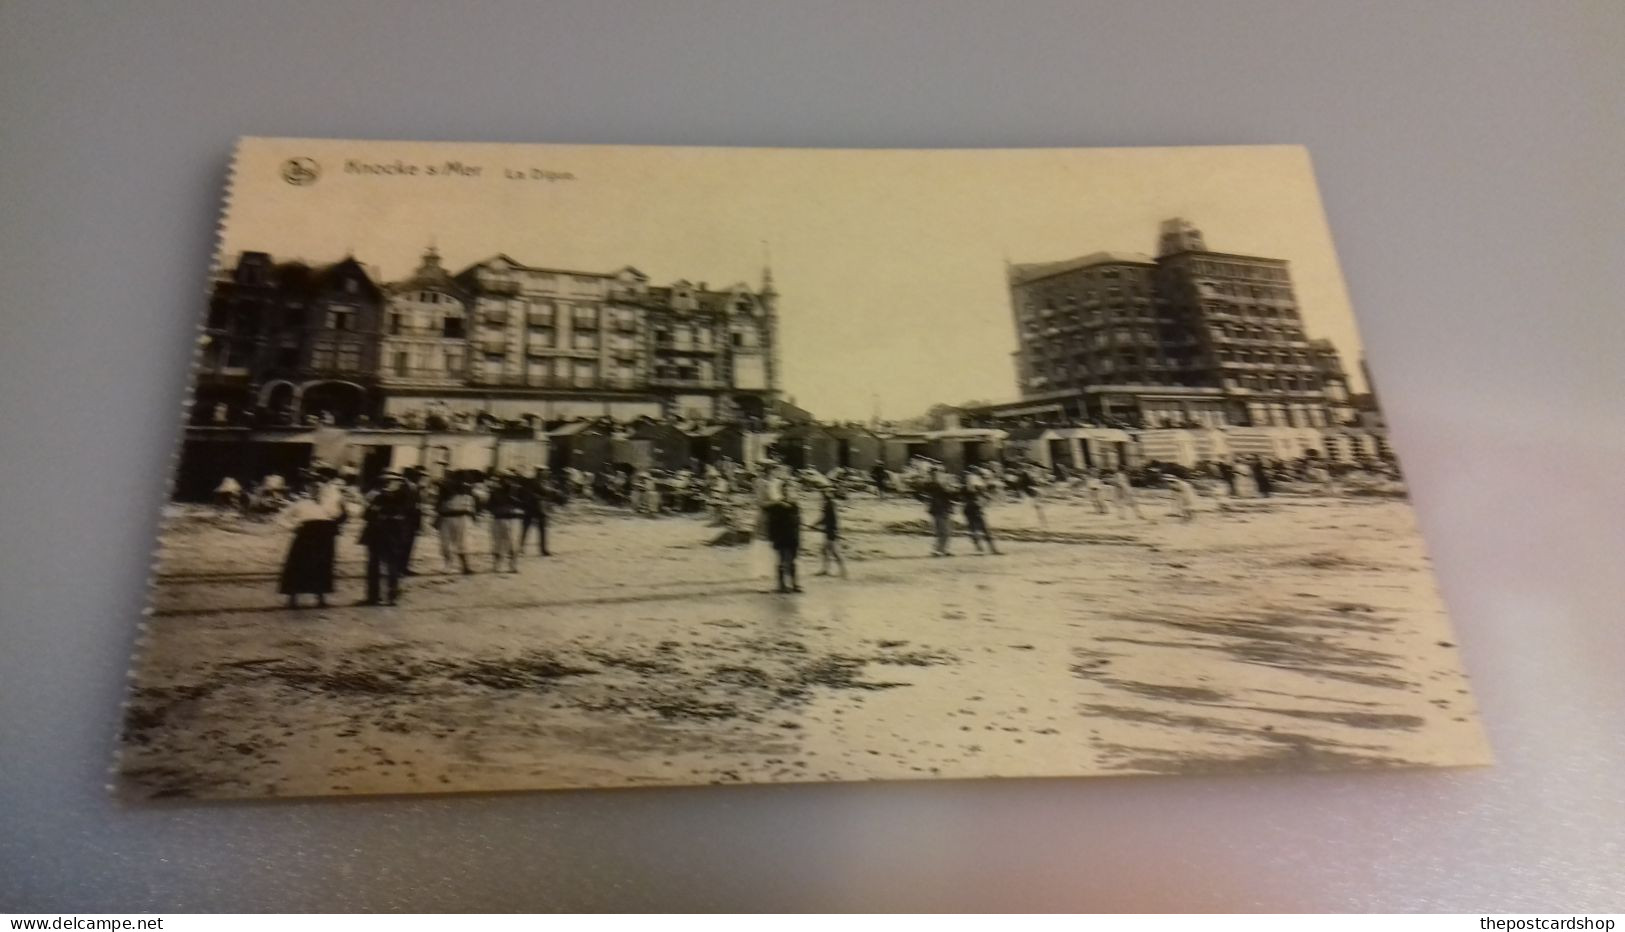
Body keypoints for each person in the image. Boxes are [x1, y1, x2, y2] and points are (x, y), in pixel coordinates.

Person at [277, 479, 345, 609]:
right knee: (298, 566)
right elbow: (281, 517)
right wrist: (292, 526)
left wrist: (338, 503)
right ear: (308, 490)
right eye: (314, 489)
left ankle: (320, 598)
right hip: (306, 537)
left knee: (322, 566)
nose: (317, 492)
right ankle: (292, 599)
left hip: (324, 538)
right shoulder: (301, 504)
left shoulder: (330, 505)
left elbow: (339, 516)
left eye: (320, 490)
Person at [358, 471, 416, 606]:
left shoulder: (379, 497)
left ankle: (374, 596)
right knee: (391, 566)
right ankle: (391, 596)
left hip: (378, 534)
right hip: (393, 535)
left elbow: (367, 515)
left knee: (375, 565)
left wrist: (378, 513)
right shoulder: (404, 499)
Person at [436, 475, 477, 575]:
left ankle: (465, 566)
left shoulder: (466, 495)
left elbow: (472, 509)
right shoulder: (443, 494)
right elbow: (438, 508)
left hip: (461, 518)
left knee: (462, 543)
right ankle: (448, 566)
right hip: (446, 518)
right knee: (446, 543)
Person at [485, 473, 525, 573]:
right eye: (504, 479)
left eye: (510, 479)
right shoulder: (495, 492)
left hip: (514, 519)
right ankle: (497, 565)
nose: (507, 482)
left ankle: (513, 565)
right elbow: (488, 506)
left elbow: (526, 505)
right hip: (499, 519)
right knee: (497, 543)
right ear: (500, 481)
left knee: (513, 543)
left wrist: (514, 498)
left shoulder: (519, 491)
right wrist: (498, 507)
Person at [764, 497, 804, 593]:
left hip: (791, 538)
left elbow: (797, 525)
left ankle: (790, 584)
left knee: (789, 562)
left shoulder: (793, 507)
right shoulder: (780, 508)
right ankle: (784, 585)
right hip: (784, 539)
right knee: (784, 561)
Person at [808, 486, 848, 577]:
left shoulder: (830, 504)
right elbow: (825, 518)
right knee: (825, 550)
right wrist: (815, 525)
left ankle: (843, 571)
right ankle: (826, 569)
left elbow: (827, 519)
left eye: (824, 493)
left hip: (831, 531)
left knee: (834, 551)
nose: (823, 495)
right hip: (829, 530)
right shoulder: (829, 503)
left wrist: (815, 525)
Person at [398, 467, 428, 576]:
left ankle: (404, 567)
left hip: (412, 521)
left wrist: (418, 524)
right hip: (403, 520)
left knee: (409, 545)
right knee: (402, 544)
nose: (419, 478)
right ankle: (398, 568)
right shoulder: (402, 486)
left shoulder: (416, 488)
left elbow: (418, 507)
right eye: (417, 475)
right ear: (411, 476)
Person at [923, 468, 957, 556]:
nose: (937, 476)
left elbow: (952, 495)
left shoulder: (937, 484)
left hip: (944, 509)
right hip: (939, 509)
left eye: (938, 474)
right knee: (943, 531)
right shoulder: (933, 485)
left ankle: (942, 550)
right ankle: (938, 550)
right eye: (935, 474)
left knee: (945, 531)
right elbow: (949, 493)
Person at [519, 468, 551, 556]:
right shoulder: (534, 482)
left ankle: (542, 549)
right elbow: (536, 494)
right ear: (539, 473)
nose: (544, 475)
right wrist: (544, 496)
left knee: (527, 529)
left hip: (534, 509)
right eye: (543, 473)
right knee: (531, 529)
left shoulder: (540, 482)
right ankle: (542, 549)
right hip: (533, 508)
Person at [962, 482, 1000, 555]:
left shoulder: (982, 493)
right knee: (979, 530)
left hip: (972, 511)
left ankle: (982, 549)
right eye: (994, 490)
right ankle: (986, 549)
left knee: (978, 530)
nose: (995, 492)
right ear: (991, 489)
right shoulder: (983, 494)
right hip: (973, 511)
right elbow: (977, 503)